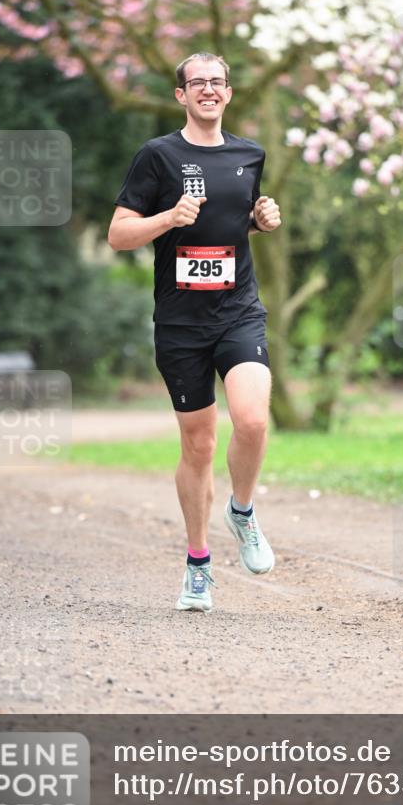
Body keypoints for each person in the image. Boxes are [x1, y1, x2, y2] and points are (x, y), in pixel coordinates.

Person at [108, 52, 281, 613]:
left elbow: (233, 220)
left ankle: (243, 511)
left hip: (238, 311)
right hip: (181, 322)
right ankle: (198, 565)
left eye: (217, 82)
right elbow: (118, 234)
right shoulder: (157, 156)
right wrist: (167, 219)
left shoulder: (250, 154)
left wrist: (259, 220)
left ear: (228, 93)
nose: (208, 89)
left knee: (252, 419)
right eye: (197, 82)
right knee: (199, 445)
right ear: (180, 95)